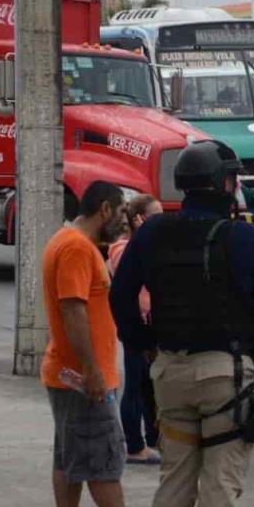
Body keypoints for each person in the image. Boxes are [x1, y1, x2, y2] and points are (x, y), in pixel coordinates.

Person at [110, 139, 254, 507]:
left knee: (175, 482)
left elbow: (121, 295)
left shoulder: (152, 234)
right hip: (224, 376)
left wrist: (144, 344)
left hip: (169, 373)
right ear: (226, 183)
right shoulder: (242, 238)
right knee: (219, 486)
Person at [41, 180, 149, 507]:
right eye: (121, 212)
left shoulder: (70, 242)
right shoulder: (75, 248)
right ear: (104, 209)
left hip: (69, 374)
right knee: (104, 458)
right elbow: (74, 311)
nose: (123, 220)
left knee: (69, 458)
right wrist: (93, 373)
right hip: (83, 378)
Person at [108, 193, 163, 465]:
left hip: (153, 324)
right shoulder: (121, 248)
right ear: (139, 219)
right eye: (155, 215)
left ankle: (153, 437)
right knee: (134, 384)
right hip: (135, 325)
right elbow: (127, 271)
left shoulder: (152, 245)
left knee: (150, 385)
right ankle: (133, 443)